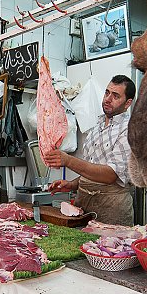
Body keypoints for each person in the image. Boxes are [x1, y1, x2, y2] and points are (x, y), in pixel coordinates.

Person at [47, 75, 135, 226]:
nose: (108, 99)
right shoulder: (97, 127)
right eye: (107, 93)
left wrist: (68, 160)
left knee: (110, 249)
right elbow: (92, 169)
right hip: (85, 206)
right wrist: (72, 184)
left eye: (115, 96)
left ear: (128, 103)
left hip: (112, 209)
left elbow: (110, 175)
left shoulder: (129, 130)